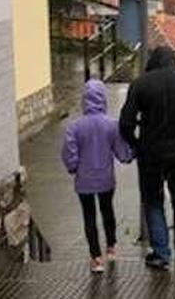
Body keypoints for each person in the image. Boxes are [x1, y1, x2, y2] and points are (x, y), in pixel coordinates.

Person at [119, 46, 175, 270]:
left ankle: (161, 252)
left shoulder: (140, 84)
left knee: (153, 202)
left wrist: (137, 145)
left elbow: (126, 124)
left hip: (151, 155)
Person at [62, 79, 134, 273]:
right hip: (106, 179)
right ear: (103, 99)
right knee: (107, 210)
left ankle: (96, 258)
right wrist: (131, 154)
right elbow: (121, 152)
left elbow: (69, 153)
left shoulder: (74, 127)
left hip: (84, 180)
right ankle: (111, 246)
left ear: (84, 100)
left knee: (89, 217)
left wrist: (73, 167)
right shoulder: (111, 125)